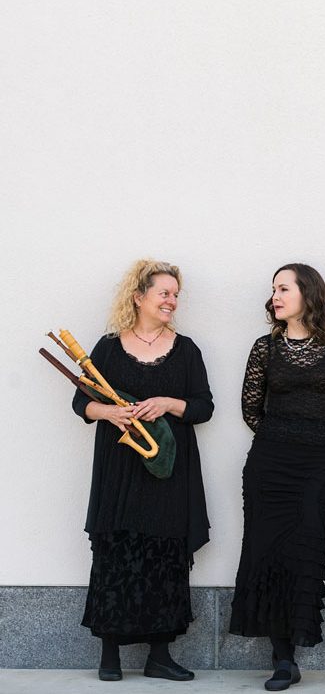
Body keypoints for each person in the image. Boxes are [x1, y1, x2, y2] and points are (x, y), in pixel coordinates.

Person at [229, 263, 325, 692]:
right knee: (268, 552)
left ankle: (295, 641)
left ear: (308, 293)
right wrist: (282, 441)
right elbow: (249, 409)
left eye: (283, 288)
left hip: (319, 468)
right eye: (273, 289)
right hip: (269, 466)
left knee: (305, 550)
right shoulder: (265, 348)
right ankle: (283, 659)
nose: (275, 296)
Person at [72, 259, 212, 682]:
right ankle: (109, 656)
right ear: (139, 297)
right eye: (164, 293)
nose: (172, 300)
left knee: (165, 556)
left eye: (175, 294)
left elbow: (204, 407)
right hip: (120, 468)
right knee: (116, 552)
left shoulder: (186, 350)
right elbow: (82, 404)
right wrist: (110, 411)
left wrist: (168, 403)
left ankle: (160, 657)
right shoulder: (109, 347)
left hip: (169, 472)